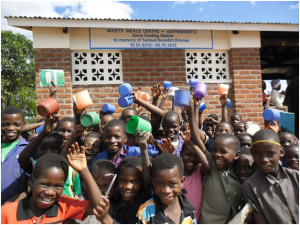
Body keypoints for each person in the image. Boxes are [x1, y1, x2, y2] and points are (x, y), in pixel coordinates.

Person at [1, 145, 103, 224]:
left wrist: (84, 170)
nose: (50, 192)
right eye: (45, 184)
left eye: (58, 186)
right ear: (32, 181)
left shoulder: (64, 206)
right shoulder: (7, 212)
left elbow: (100, 207)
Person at [93, 131, 152, 224]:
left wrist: (144, 149)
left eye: (135, 181)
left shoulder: (142, 205)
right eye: (122, 180)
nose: (127, 186)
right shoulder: (116, 198)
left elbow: (148, 180)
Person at [243, 129, 299, 224]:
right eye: (258, 154)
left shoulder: (296, 176)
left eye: (270, 154)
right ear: (252, 153)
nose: (264, 159)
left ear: (281, 152)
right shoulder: (250, 186)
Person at [18, 116, 81, 198]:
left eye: (53, 148)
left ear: (60, 148)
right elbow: (23, 159)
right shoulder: (36, 165)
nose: (48, 152)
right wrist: (44, 132)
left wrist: (73, 135)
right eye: (43, 148)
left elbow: (77, 194)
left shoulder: (71, 170)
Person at [136, 153, 197, 224]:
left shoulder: (189, 209)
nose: (166, 191)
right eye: (160, 184)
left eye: (172, 184)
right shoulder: (145, 212)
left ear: (182, 181)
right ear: (153, 182)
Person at [200, 133, 244, 224]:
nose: (217, 155)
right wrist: (192, 118)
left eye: (223, 152)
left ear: (236, 155)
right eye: (214, 150)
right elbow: (197, 140)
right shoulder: (211, 166)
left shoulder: (239, 174)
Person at [180, 130, 210, 221]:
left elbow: (208, 166)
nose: (192, 159)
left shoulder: (198, 171)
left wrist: (191, 143)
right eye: (188, 155)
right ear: (181, 154)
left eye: (196, 155)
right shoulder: (176, 173)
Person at [1, 106, 28, 205]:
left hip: (14, 208)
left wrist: (13, 203)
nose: (11, 128)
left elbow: (31, 185)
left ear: (23, 125)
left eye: (16, 124)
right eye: (5, 124)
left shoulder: (27, 149)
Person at [76, 159, 117, 224]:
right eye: (101, 185)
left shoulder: (111, 209)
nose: (108, 191)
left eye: (112, 187)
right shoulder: (75, 202)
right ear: (88, 183)